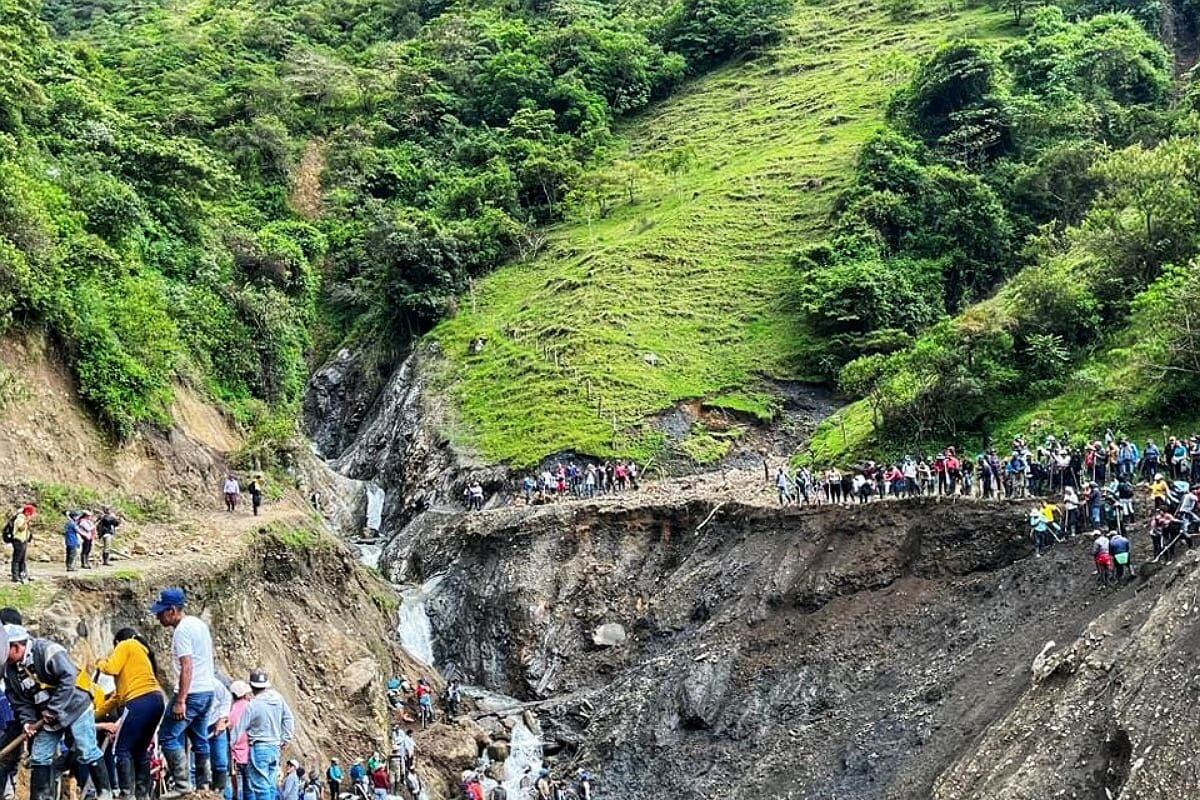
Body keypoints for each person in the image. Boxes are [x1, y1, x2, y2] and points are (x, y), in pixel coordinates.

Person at [4, 624, 114, 800]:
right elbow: (20, 701)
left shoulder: (47, 651)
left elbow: (68, 677)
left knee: (86, 749)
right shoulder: (9, 671)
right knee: (39, 756)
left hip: (75, 706)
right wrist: (28, 721)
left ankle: (104, 793)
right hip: (46, 717)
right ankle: (41, 797)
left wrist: (54, 708)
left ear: (16, 647)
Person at [152, 587, 218, 796]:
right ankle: (203, 786)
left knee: (167, 736)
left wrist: (181, 700)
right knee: (199, 738)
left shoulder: (182, 631)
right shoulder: (199, 624)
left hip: (192, 693)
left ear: (172, 610)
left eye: (161, 612)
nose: (158, 617)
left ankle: (182, 785)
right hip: (207, 690)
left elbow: (187, 667)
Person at [96, 628, 166, 800]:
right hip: (156, 701)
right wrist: (94, 715)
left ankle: (126, 794)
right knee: (141, 750)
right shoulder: (139, 660)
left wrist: (99, 663)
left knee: (120, 749)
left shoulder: (126, 644)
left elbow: (111, 667)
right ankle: (142, 795)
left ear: (116, 643)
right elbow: (117, 698)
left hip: (139, 702)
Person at [229, 669, 294, 800]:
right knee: (270, 785)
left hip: (259, 748)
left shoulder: (253, 705)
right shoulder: (278, 698)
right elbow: (288, 718)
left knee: (261, 787)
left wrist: (229, 744)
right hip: (275, 748)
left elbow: (239, 729)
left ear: (252, 686)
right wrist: (286, 738)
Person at [228, 681, 253, 800]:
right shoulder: (251, 707)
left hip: (234, 755)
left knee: (235, 787)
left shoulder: (230, 710)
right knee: (249, 788)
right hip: (249, 754)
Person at [6, 504, 34, 583]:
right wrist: (26, 521)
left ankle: (23, 574)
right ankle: (15, 576)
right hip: (18, 540)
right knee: (17, 559)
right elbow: (21, 528)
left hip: (24, 540)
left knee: (22, 559)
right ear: (27, 512)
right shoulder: (20, 519)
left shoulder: (24, 518)